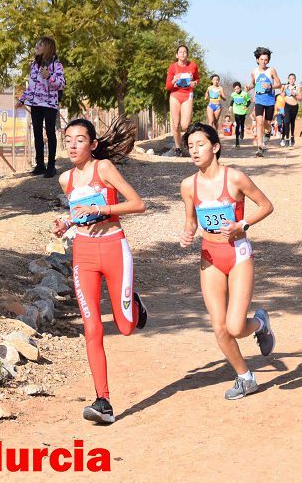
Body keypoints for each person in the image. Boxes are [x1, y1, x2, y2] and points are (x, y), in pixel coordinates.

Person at [53, 118, 148, 424]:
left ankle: (133, 303)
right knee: (92, 328)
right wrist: (65, 223)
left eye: (79, 139)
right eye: (68, 139)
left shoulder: (103, 168)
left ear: (92, 145)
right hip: (83, 254)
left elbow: (137, 204)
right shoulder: (65, 179)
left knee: (125, 327)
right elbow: (77, 215)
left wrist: (103, 210)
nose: (72, 145)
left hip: (113, 248)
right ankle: (103, 401)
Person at [179, 123, 276, 400]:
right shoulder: (188, 185)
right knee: (219, 327)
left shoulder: (235, 178)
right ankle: (245, 377)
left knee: (235, 327)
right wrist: (187, 234)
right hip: (209, 256)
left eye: (200, 144)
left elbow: (266, 206)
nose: (194, 151)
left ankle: (260, 323)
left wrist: (241, 225)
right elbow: (190, 221)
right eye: (190, 146)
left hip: (238, 255)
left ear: (216, 147)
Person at [17, 36, 66, 177]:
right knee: (37, 133)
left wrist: (49, 76)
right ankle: (40, 165)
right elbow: (31, 86)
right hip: (35, 104)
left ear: (48, 48)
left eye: (40, 45)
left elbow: (61, 84)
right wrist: (22, 99)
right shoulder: (34, 65)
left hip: (50, 104)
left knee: (50, 133)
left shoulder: (56, 65)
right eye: (36, 44)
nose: (36, 47)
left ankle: (51, 166)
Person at [245, 47, 282, 157]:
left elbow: (279, 84)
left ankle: (268, 133)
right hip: (259, 99)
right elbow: (253, 84)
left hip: (270, 100)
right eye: (261, 59)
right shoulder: (254, 72)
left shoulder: (271, 70)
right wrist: (248, 87)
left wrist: (270, 85)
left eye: (265, 60)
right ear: (257, 60)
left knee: (267, 123)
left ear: (268, 60)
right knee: (259, 122)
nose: (263, 62)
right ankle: (260, 147)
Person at [165, 44, 199, 157]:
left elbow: (197, 79)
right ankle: (178, 148)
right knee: (175, 125)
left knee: (184, 126)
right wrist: (174, 79)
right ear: (177, 55)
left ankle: (185, 143)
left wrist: (195, 83)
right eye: (180, 52)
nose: (183, 54)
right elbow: (168, 87)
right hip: (175, 95)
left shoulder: (193, 66)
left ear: (187, 54)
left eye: (185, 52)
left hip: (187, 95)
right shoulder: (172, 67)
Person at [279, 73, 302, 147]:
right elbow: (281, 94)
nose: (291, 80)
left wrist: (294, 94)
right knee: (286, 122)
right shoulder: (285, 87)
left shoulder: (297, 87)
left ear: (295, 80)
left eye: (293, 78)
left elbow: (300, 98)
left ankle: (292, 136)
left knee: (292, 122)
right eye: (290, 78)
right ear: (288, 79)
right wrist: (282, 94)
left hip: (294, 106)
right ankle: (287, 139)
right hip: (287, 106)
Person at [229, 81, 251, 148]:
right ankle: (237, 141)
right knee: (237, 124)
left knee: (242, 123)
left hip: (243, 111)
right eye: (235, 89)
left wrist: (246, 106)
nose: (236, 90)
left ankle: (242, 132)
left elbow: (249, 101)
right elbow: (232, 101)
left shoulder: (244, 94)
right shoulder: (233, 94)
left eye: (238, 89)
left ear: (240, 88)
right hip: (236, 111)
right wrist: (230, 106)